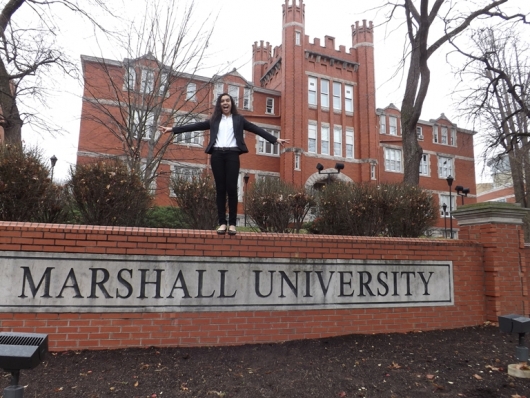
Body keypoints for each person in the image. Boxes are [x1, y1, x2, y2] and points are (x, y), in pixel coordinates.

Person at [159, 93, 289, 235]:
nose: (225, 103)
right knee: (220, 189)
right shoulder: (214, 119)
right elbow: (196, 125)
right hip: (217, 155)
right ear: (220, 105)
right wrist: (172, 129)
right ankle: (222, 223)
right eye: (222, 101)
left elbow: (256, 128)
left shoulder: (239, 119)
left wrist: (275, 139)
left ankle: (232, 224)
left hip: (232, 154)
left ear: (231, 103)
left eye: (227, 100)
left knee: (232, 188)